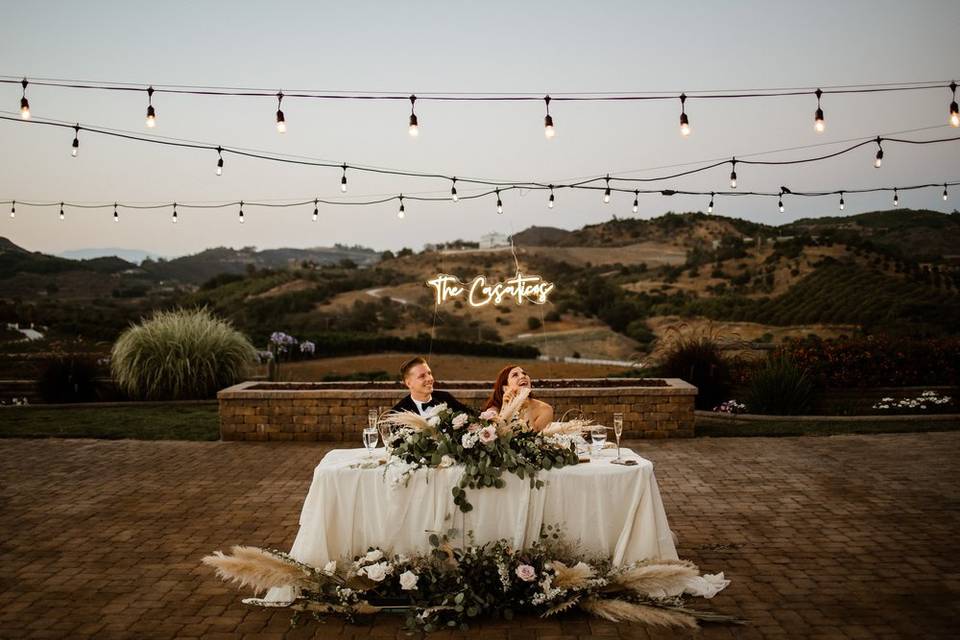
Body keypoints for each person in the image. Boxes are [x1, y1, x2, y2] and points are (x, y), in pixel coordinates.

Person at [391, 356, 472, 415]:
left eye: (429, 373)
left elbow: (471, 415)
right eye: (422, 376)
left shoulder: (445, 398)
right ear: (409, 383)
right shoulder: (399, 412)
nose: (430, 379)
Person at [482, 365, 554, 431]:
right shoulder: (493, 410)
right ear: (505, 388)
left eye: (524, 373)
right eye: (515, 375)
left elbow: (534, 439)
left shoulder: (545, 409)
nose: (523, 376)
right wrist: (505, 406)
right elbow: (498, 435)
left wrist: (526, 407)